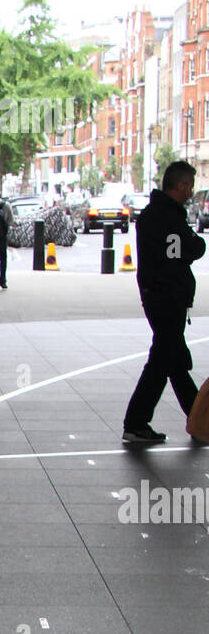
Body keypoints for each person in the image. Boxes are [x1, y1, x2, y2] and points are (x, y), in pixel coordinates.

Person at [123, 161, 206, 444]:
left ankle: (199, 418)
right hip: (168, 296)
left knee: (174, 359)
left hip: (157, 294)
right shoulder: (168, 218)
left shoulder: (152, 215)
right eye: (189, 187)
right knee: (162, 360)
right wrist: (195, 243)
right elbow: (185, 249)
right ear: (180, 186)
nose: (190, 192)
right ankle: (136, 422)